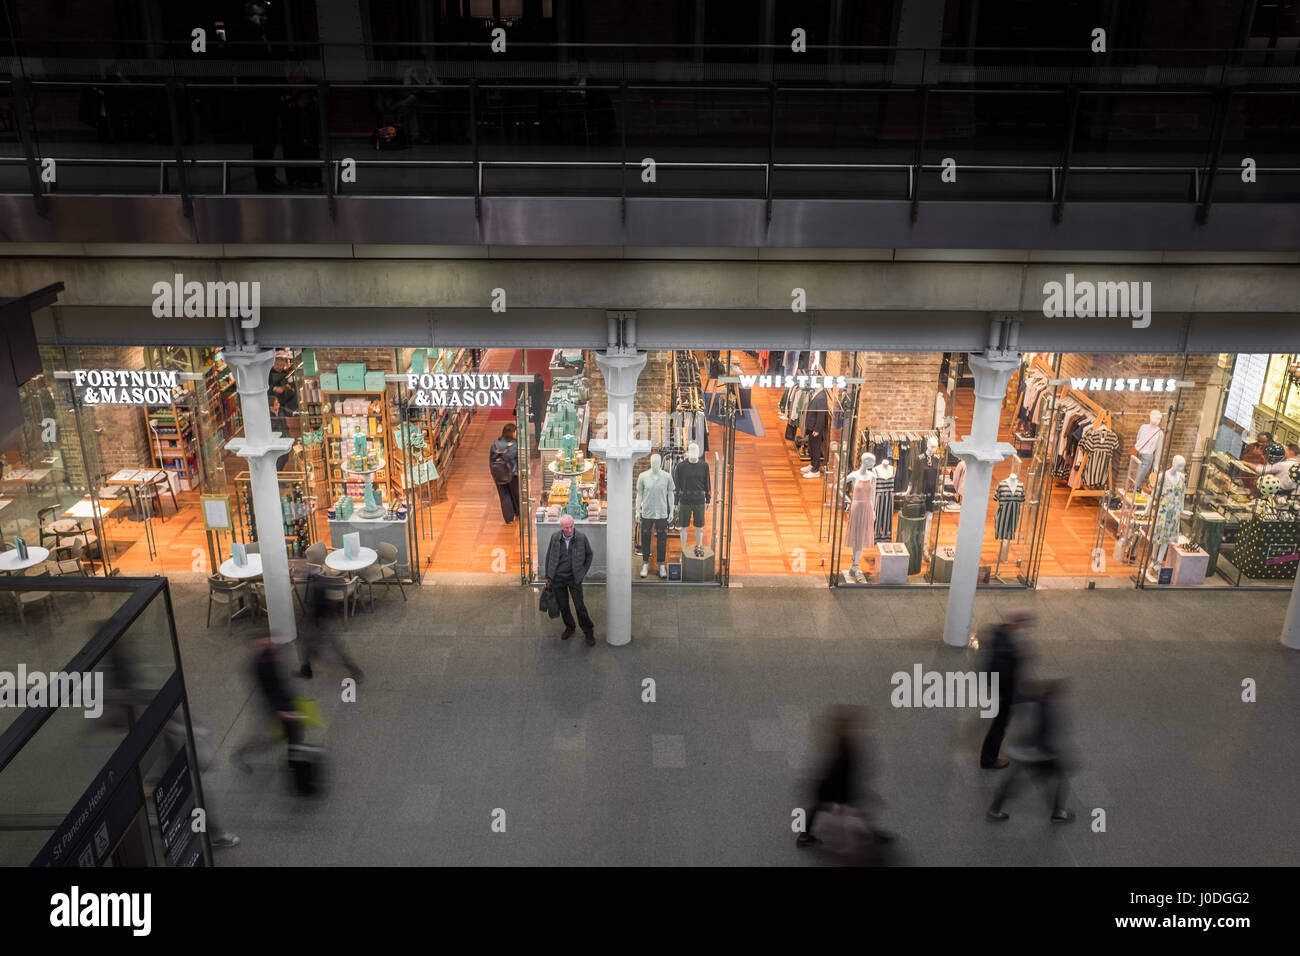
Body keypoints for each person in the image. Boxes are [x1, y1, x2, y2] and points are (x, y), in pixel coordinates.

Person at [987, 679, 1075, 823]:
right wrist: (1057, 754)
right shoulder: (1048, 709)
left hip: (1021, 751)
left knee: (1016, 781)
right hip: (1038, 754)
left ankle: (995, 808)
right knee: (1058, 776)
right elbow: (1045, 736)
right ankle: (1058, 812)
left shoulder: (1031, 703)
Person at [233, 634, 304, 772]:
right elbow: (268, 691)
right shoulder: (261, 666)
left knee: (290, 734)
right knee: (273, 738)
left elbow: (280, 683)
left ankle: (293, 762)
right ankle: (241, 753)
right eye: (264, 645)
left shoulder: (271, 657)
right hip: (275, 708)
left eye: (270, 643)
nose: (271, 646)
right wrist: (282, 711)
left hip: (283, 703)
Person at [980, 610, 1030, 770]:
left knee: (999, 725)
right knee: (999, 726)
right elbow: (1004, 670)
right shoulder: (1007, 644)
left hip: (999, 688)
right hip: (1004, 691)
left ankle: (989, 757)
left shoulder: (999, 633)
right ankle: (989, 759)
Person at [297, 570, 364, 682]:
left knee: (331, 649)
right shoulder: (318, 584)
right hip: (320, 622)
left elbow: (317, 607)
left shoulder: (315, 586)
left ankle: (354, 670)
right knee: (312, 646)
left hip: (318, 623)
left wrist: (312, 619)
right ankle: (306, 668)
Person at [544, 514, 595, 645]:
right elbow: (549, 557)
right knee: (563, 606)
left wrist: (582, 572)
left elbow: (589, 554)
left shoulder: (581, 538)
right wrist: (548, 576)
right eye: (566, 528)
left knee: (580, 606)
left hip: (574, 578)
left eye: (571, 526)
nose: (570, 530)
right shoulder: (555, 537)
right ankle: (570, 627)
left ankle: (588, 631)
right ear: (561, 528)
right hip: (558, 578)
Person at [489, 423, 520, 524]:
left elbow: (491, 460)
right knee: (515, 494)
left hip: (498, 474)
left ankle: (508, 518)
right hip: (512, 474)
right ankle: (517, 513)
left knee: (504, 496)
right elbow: (518, 460)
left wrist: (493, 473)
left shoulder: (495, 444)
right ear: (512, 433)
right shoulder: (515, 446)